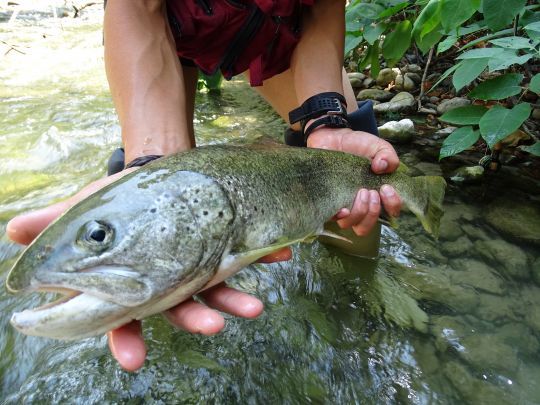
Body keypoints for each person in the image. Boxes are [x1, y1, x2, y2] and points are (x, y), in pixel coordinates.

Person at [6, 0, 401, 371]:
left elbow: (322, 10)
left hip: (275, 31)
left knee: (355, 163)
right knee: (148, 170)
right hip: (170, 32)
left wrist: (324, 117)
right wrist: (152, 161)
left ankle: (359, 294)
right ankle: (169, 327)